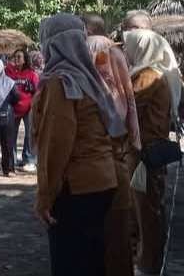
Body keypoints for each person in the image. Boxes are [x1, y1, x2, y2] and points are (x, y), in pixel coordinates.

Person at [33, 13, 123, 276]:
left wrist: (45, 195)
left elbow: (56, 144)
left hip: (77, 188)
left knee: (70, 263)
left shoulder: (60, 83)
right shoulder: (90, 79)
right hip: (103, 181)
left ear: (51, 44)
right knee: (93, 261)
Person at [82, 14, 139, 276]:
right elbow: (129, 96)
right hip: (120, 139)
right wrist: (133, 134)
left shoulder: (88, 49)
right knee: (119, 221)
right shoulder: (117, 53)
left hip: (94, 139)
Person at [123, 29, 178, 275]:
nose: (126, 52)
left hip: (144, 154)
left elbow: (124, 108)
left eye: (130, 46)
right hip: (147, 152)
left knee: (146, 213)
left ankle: (147, 265)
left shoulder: (147, 77)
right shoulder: (155, 73)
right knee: (147, 210)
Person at [7, 48, 40, 172]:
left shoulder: (31, 74)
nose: (16, 59)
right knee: (11, 135)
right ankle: (12, 159)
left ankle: (29, 159)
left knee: (29, 134)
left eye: (19, 57)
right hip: (13, 108)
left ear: (25, 59)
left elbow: (38, 91)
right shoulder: (9, 72)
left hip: (28, 108)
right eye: (15, 57)